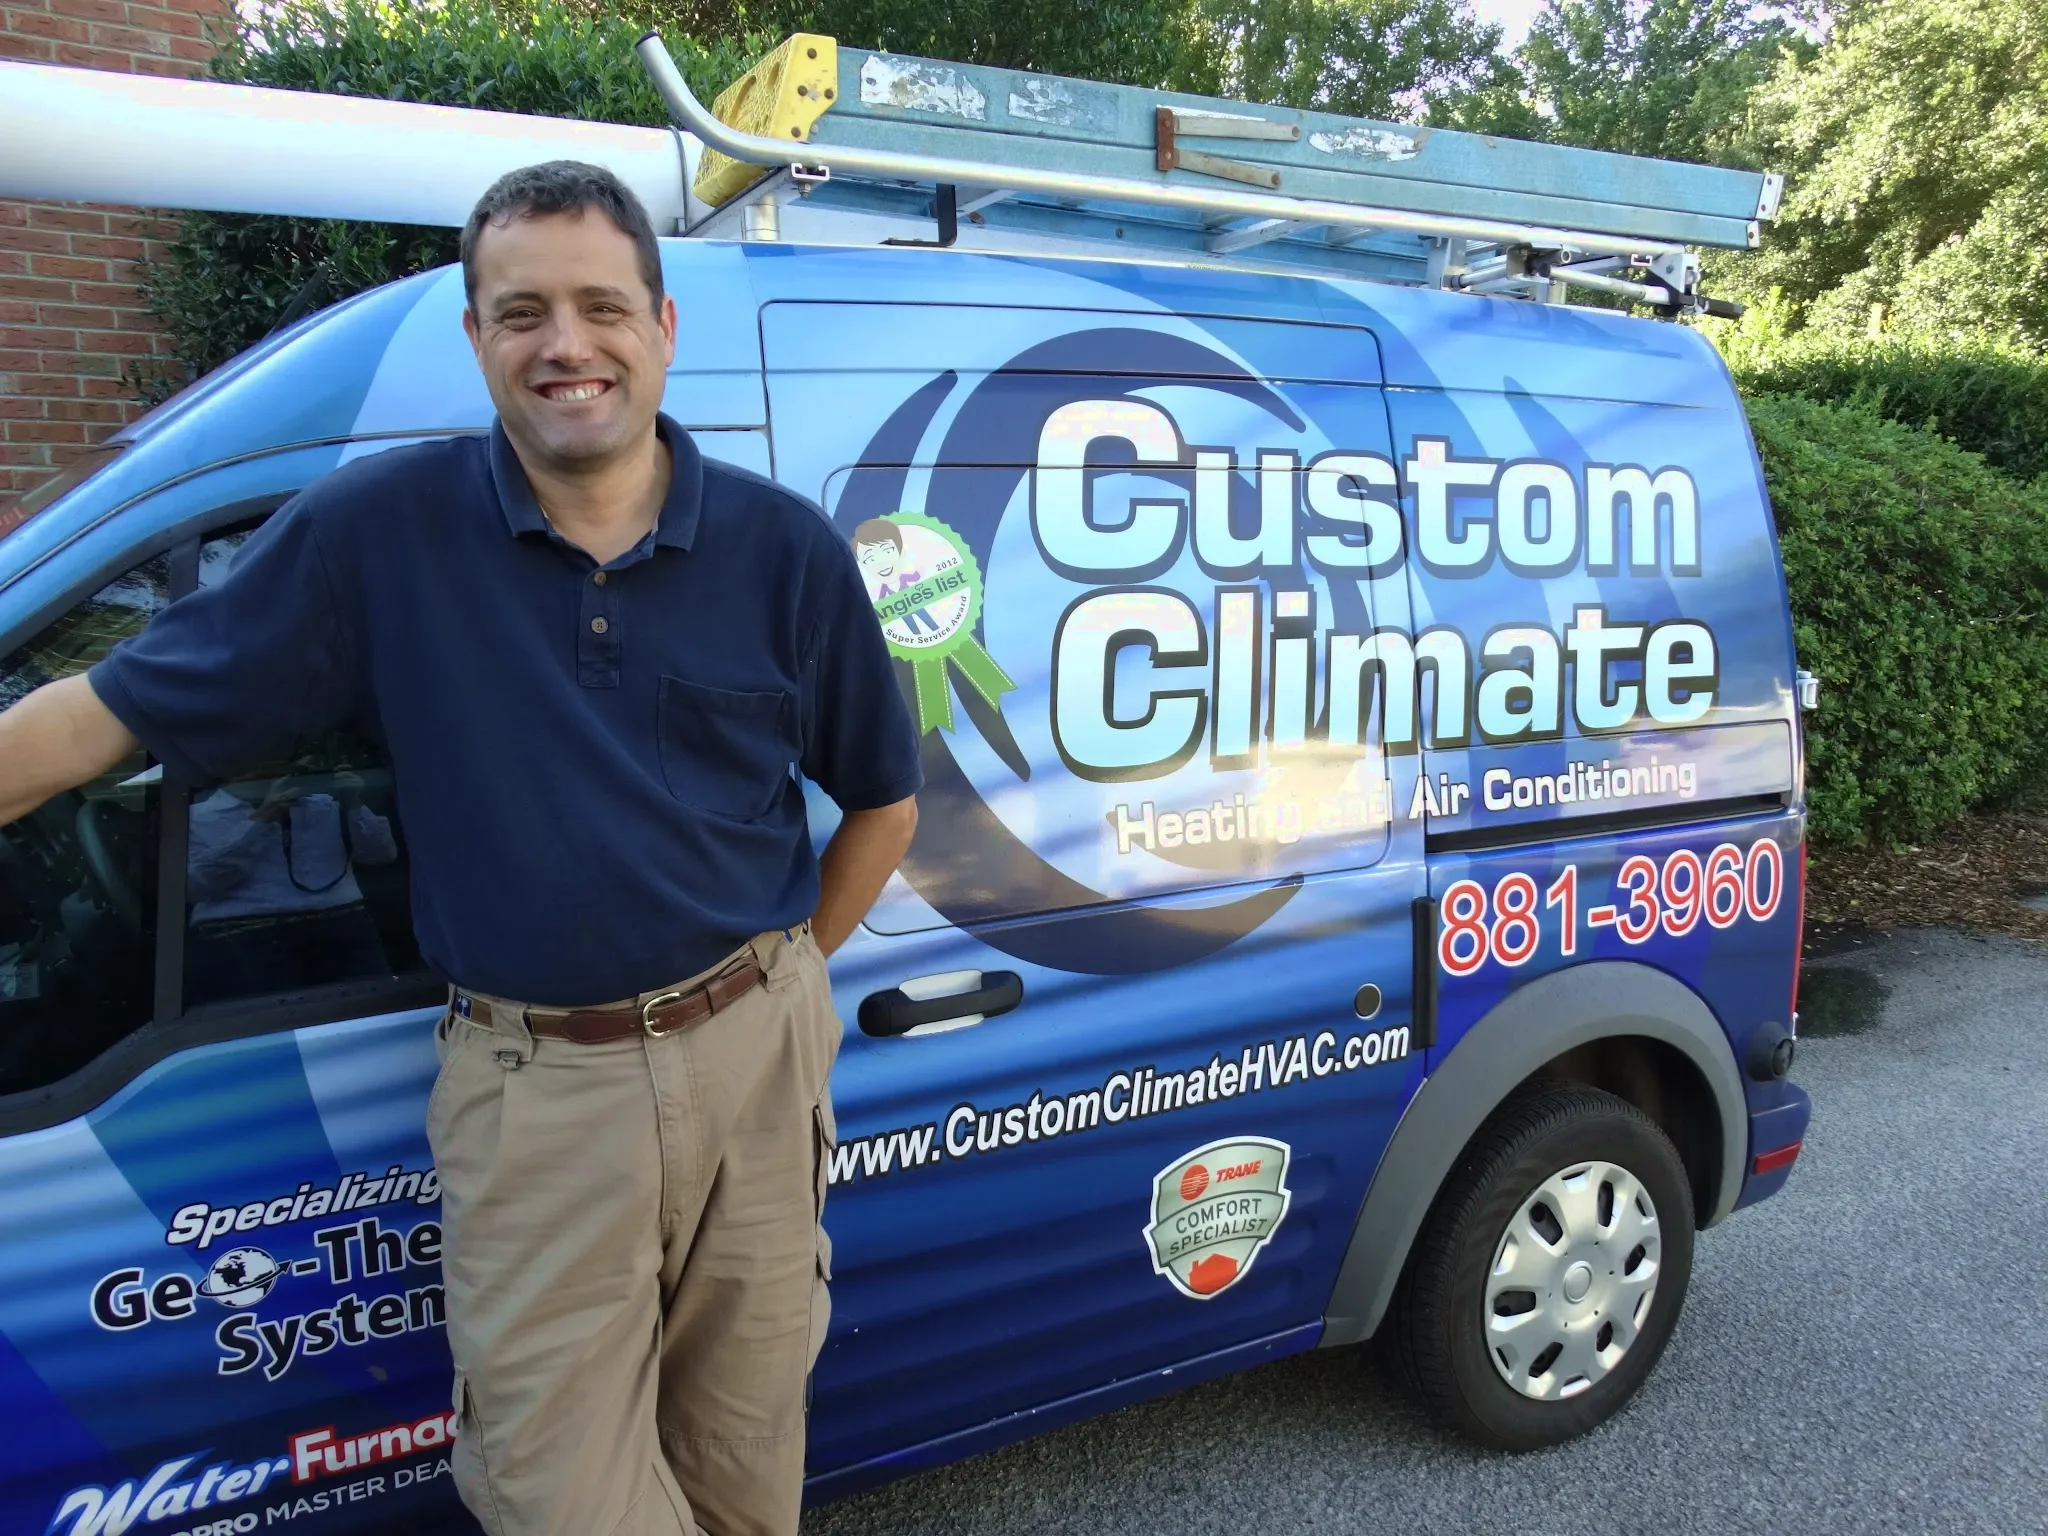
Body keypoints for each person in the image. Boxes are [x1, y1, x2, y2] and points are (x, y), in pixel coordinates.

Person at [0, 161, 922, 1536]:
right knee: (553, 1488)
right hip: (542, 1086)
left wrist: (784, 984)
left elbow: (884, 803)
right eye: (522, 312)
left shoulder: (783, 551)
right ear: (478, 336)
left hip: (758, 1051)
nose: (566, 344)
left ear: (663, 328)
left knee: (742, 1447)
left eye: (601, 306)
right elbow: (102, 714)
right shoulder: (377, 536)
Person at [184, 769, 397, 1004]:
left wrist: (353, 803)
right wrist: (260, 822)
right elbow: (196, 885)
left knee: (374, 1010)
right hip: (245, 935)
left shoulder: (325, 803)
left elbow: (381, 854)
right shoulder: (197, 816)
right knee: (262, 1019)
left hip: (342, 924)